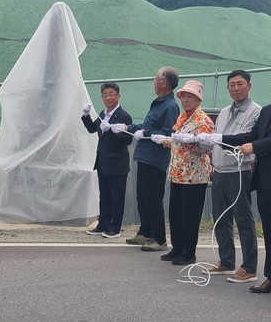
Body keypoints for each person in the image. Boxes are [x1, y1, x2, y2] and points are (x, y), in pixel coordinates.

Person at [198, 63, 271, 303]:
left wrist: (256, 147)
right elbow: (250, 137)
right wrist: (217, 137)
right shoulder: (268, 111)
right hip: (265, 182)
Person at [111, 66, 179, 251]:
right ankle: (145, 232)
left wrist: (146, 132)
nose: (154, 83)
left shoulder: (170, 106)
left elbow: (168, 133)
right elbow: (146, 126)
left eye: (155, 79)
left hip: (155, 159)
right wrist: (127, 127)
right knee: (142, 197)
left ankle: (160, 239)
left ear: (164, 83)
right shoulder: (158, 102)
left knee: (153, 198)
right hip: (145, 155)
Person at [151, 80, 213, 265]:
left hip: (194, 176)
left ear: (198, 99)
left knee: (190, 216)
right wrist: (165, 140)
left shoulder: (203, 120)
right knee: (176, 214)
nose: (186, 99)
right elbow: (177, 141)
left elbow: (206, 147)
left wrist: (191, 140)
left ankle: (188, 253)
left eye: (190, 96)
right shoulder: (183, 118)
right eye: (184, 96)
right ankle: (177, 248)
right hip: (178, 173)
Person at [207, 70, 261, 283]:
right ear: (228, 88)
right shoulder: (223, 112)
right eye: (232, 85)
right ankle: (227, 261)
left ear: (249, 85)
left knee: (243, 220)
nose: (236, 88)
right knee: (220, 219)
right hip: (219, 172)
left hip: (238, 172)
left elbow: (243, 138)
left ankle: (249, 267)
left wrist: (216, 137)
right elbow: (215, 140)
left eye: (240, 84)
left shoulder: (256, 112)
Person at [81, 82, 133, 238]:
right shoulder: (103, 115)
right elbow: (92, 129)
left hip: (117, 164)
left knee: (117, 197)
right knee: (104, 196)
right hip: (103, 162)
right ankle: (103, 224)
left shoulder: (124, 116)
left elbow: (127, 140)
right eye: (105, 94)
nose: (108, 97)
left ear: (118, 96)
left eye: (112, 94)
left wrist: (112, 131)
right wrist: (85, 115)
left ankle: (115, 227)